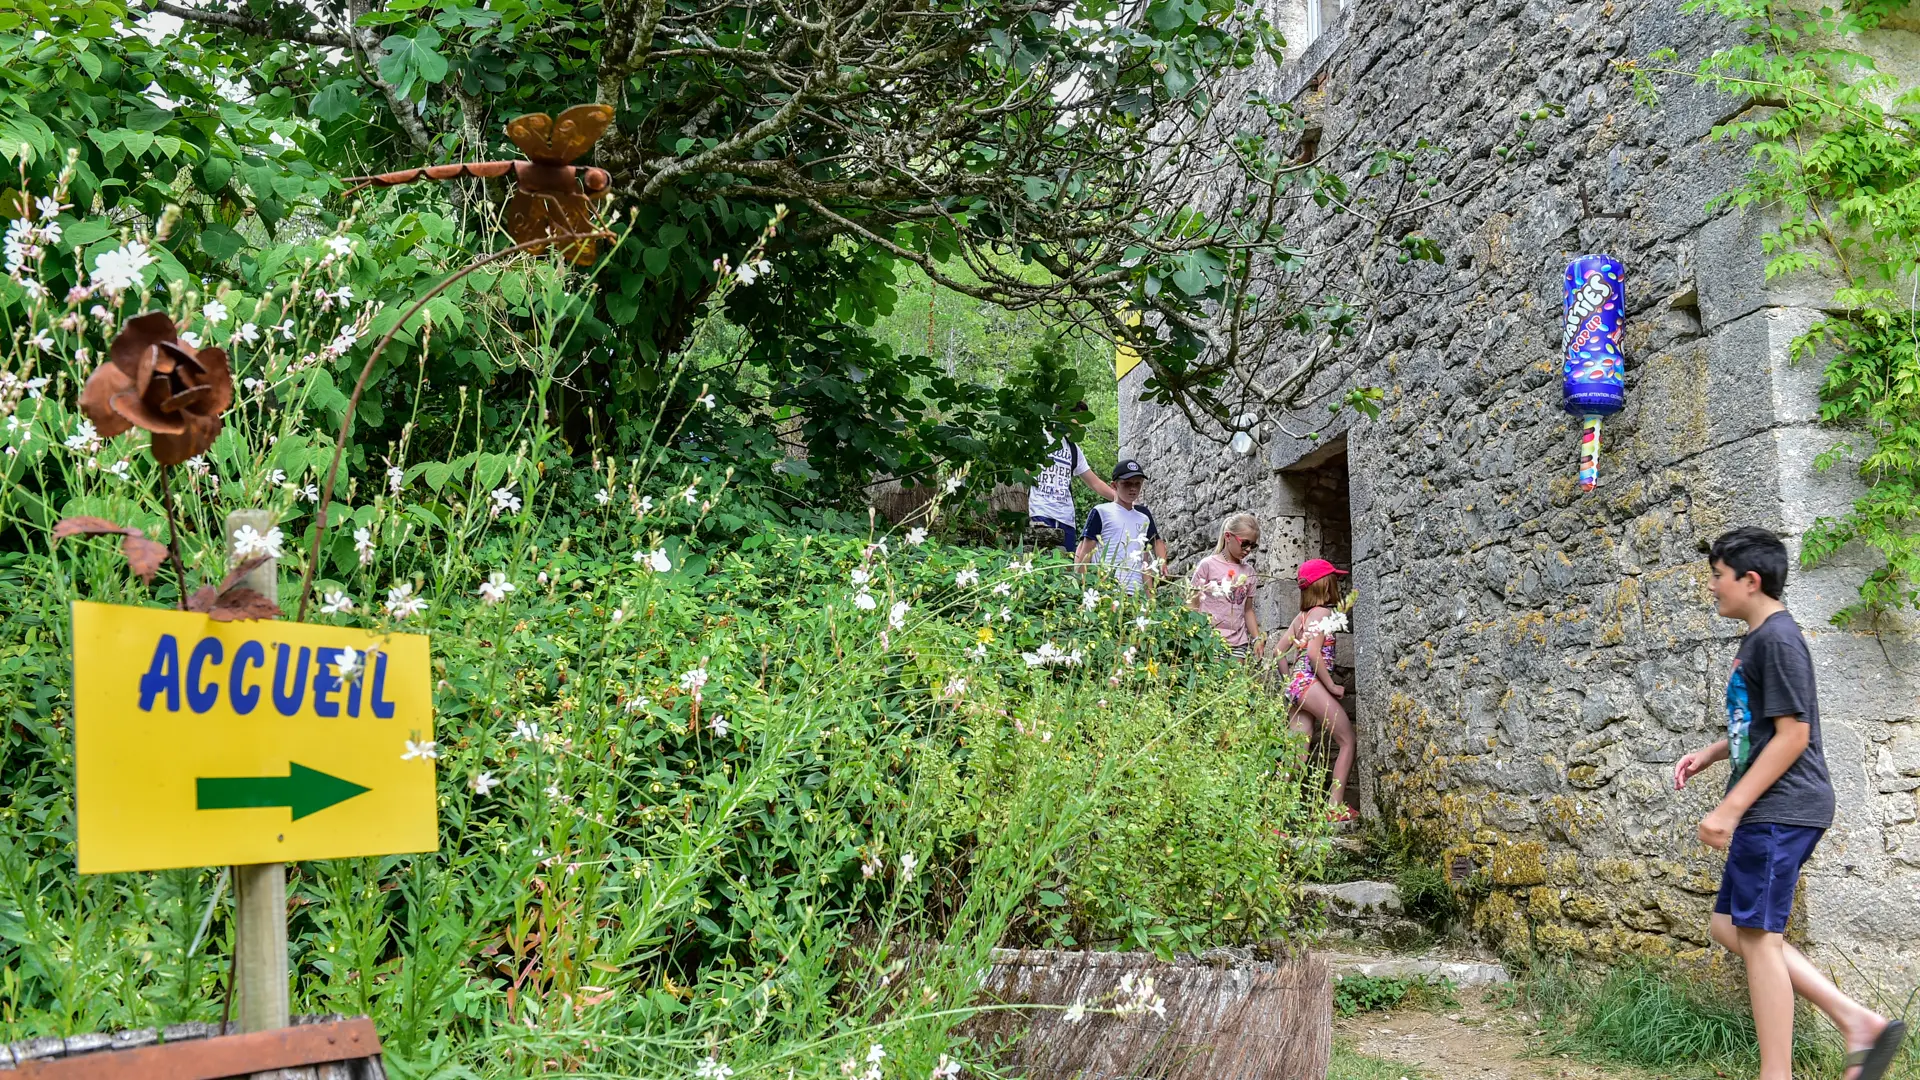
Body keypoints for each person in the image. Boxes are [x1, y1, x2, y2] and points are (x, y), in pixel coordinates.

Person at [1673, 527, 1906, 1080]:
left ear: (1749, 581)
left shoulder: (1777, 639)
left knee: (1757, 937)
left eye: (1717, 576)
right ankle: (1858, 1023)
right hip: (1773, 807)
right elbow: (1762, 724)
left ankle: (1776, 1074)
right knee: (1730, 928)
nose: (1711, 587)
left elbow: (1793, 735)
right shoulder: (1758, 639)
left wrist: (1728, 809)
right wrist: (1710, 754)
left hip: (1781, 807)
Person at [1273, 558, 1355, 822]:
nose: (1337, 584)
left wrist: (1289, 682)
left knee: (1296, 753)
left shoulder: (1302, 617)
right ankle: (1334, 807)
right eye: (1333, 579)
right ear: (1324, 584)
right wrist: (1330, 685)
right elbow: (1312, 652)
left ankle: (1271, 816)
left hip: (1297, 685)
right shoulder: (1323, 614)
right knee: (1347, 741)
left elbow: (1278, 651)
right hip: (1310, 682)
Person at [1027, 404, 1115, 553]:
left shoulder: (1073, 449)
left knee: (1066, 567)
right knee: (1041, 562)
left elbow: (1095, 483)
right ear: (1064, 415)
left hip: (1066, 518)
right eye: (1078, 419)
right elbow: (1024, 475)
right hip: (1040, 512)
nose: (1080, 426)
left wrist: (1121, 498)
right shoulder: (1036, 439)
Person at [1073, 458, 1168, 594]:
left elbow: (1145, 559)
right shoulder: (1101, 511)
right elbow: (1085, 552)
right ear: (1114, 485)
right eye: (1127, 484)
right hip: (1107, 589)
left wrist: (1150, 598)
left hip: (1135, 592)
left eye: (1137, 484)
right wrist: (1083, 589)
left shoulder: (1143, 516)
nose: (1133, 488)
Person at [1190, 512, 1263, 659]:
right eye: (1245, 543)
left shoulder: (1249, 572)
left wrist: (1257, 639)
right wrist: (1195, 635)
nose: (1248, 549)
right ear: (1228, 537)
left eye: (1253, 545)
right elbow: (1192, 604)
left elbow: (1248, 610)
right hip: (1210, 639)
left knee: (1236, 682)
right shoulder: (1208, 565)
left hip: (1239, 642)